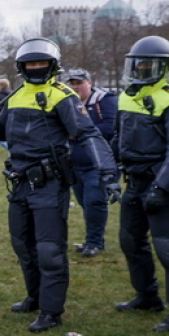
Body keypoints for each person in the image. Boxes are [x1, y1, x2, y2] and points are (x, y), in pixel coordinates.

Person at [0, 38, 119, 332]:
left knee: (50, 250)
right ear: (21, 67)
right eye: (30, 64)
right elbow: (7, 130)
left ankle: (52, 311)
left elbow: (88, 134)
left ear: (52, 66)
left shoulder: (62, 96)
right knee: (22, 244)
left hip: (49, 182)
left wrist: (108, 173)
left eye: (41, 63)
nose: (35, 68)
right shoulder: (16, 95)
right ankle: (35, 297)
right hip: (20, 181)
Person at [111, 36, 169, 332]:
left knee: (168, 247)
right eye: (138, 64)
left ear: (164, 67)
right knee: (130, 241)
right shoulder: (127, 97)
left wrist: (161, 188)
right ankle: (147, 295)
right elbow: (117, 138)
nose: (142, 69)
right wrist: (110, 169)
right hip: (133, 181)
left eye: (149, 65)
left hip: (162, 183)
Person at [60, 69, 116, 257]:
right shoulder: (68, 101)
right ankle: (95, 239)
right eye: (72, 83)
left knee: (95, 202)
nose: (75, 87)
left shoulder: (103, 100)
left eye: (79, 83)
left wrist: (78, 132)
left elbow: (110, 128)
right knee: (85, 203)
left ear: (89, 83)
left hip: (97, 163)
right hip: (75, 163)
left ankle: (94, 242)